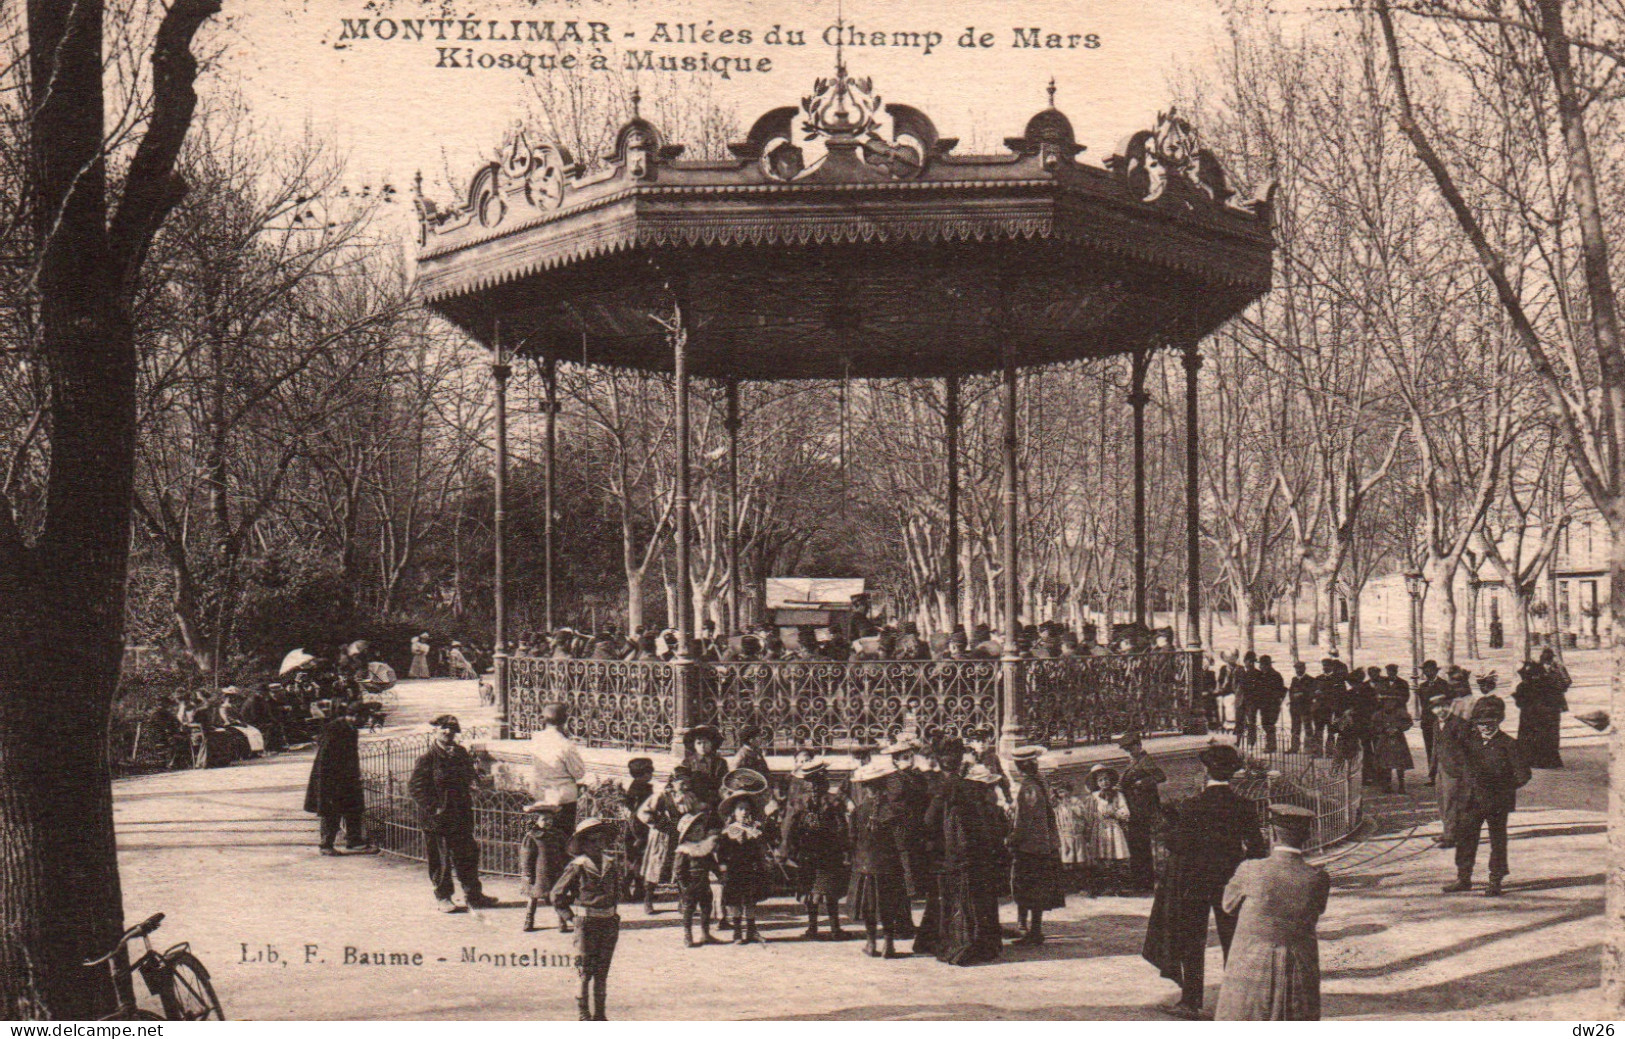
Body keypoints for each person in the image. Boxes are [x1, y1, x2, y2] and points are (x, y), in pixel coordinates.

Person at [1143, 743, 1268, 1020]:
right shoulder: (1244, 806)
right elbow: (1258, 850)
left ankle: (1191, 1001)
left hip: (1194, 881)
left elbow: (1179, 844)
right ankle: (1237, 1001)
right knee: (1233, 939)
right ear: (1232, 773)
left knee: (1191, 938)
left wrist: (1168, 831)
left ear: (1206, 771)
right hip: (1231, 882)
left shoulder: (1192, 806)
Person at [1215, 805, 1330, 1021]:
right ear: (1308, 835)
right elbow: (1318, 909)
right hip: (1298, 967)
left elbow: (1228, 906)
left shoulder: (1250, 869)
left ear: (1274, 834)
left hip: (1250, 965)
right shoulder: (1317, 878)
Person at [1443, 695, 1530, 897]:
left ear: (1499, 721)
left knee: (1497, 841)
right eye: (1480, 724)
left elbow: (1524, 775)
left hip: (1496, 802)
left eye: (1490, 723)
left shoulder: (1509, 744)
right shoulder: (1467, 743)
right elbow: (1453, 762)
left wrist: (1501, 787)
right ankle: (1463, 878)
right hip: (1470, 800)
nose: (1485, 728)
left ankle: (1495, 879)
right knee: (1465, 839)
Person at [409, 715, 497, 912]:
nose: (448, 733)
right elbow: (415, 788)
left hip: (460, 813)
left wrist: (474, 783)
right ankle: (443, 898)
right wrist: (434, 807)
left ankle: (474, 895)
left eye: (452, 729)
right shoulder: (428, 759)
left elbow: (468, 776)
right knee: (440, 859)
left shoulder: (460, 753)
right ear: (436, 732)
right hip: (437, 819)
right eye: (443, 729)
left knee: (467, 854)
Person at [926, 762, 1010, 966]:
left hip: (975, 862)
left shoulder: (973, 807)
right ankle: (974, 943)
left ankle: (983, 943)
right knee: (972, 903)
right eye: (985, 787)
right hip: (969, 863)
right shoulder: (963, 809)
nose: (989, 790)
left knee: (978, 902)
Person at [550, 817, 624, 1021]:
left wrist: (613, 910)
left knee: (602, 971)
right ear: (582, 844)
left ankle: (600, 1014)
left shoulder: (610, 863)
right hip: (586, 923)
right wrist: (570, 917)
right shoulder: (578, 866)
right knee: (585, 970)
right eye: (592, 841)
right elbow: (556, 894)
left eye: (601, 840)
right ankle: (584, 1014)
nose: (597, 845)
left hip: (608, 922)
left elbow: (617, 890)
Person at [520, 702, 587, 929]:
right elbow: (579, 772)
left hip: (542, 798)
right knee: (562, 854)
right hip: (563, 801)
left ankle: (533, 909)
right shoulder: (565, 744)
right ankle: (562, 907)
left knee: (540, 852)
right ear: (565, 721)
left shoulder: (536, 740)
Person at [848, 760, 917, 958]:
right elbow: (902, 840)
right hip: (889, 866)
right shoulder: (896, 811)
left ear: (865, 787)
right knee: (888, 904)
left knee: (870, 906)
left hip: (864, 866)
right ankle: (889, 945)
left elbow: (851, 839)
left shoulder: (858, 811)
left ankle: (870, 944)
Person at [778, 760, 851, 941]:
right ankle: (834, 928)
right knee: (829, 892)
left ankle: (813, 928)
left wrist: (787, 850)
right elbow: (842, 828)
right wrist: (844, 848)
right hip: (828, 852)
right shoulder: (832, 802)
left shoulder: (798, 802)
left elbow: (788, 828)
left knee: (811, 890)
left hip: (807, 852)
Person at [303, 700, 377, 856]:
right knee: (331, 811)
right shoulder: (334, 729)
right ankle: (326, 845)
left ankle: (355, 842)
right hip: (331, 778)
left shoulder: (351, 728)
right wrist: (329, 781)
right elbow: (325, 758)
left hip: (348, 777)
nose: (366, 722)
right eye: (364, 718)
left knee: (354, 808)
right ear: (355, 716)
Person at [1008, 745, 1065, 944]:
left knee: (1029, 888)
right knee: (1037, 888)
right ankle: (1032, 929)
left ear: (1019, 766)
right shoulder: (1039, 782)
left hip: (1030, 846)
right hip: (1043, 844)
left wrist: (1013, 839)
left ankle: (1033, 931)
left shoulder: (1029, 787)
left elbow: (1027, 820)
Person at [636, 767, 699, 914]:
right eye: (681, 783)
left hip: (682, 837)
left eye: (687, 783)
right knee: (655, 868)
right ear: (673, 782)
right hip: (662, 837)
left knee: (681, 869)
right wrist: (659, 823)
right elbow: (643, 813)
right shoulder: (662, 796)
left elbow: (696, 814)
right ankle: (648, 901)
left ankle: (682, 903)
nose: (685, 786)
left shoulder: (690, 797)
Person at [716, 791, 771, 943]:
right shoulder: (728, 831)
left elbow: (761, 849)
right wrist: (723, 870)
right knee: (735, 901)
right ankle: (737, 931)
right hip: (735, 870)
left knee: (751, 900)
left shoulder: (755, 829)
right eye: (740, 809)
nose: (744, 812)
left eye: (747, 809)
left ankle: (752, 931)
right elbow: (722, 853)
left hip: (752, 869)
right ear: (733, 812)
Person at [672, 812, 721, 947]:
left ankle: (705, 933)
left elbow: (712, 864)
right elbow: (679, 870)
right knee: (689, 909)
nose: (700, 833)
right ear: (687, 834)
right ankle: (688, 935)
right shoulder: (684, 850)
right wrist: (684, 886)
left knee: (707, 906)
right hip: (690, 884)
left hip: (704, 882)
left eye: (701, 830)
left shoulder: (705, 847)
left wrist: (720, 875)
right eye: (696, 830)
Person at [1513, 653, 1567, 769]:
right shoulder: (1548, 681)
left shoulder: (1524, 685)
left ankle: (1531, 759)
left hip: (1533, 715)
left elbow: (1519, 702)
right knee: (1547, 737)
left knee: (1532, 736)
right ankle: (1548, 760)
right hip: (1548, 714)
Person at [1430, 693, 1468, 849]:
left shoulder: (1459, 724)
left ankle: (1451, 836)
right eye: (1436, 707)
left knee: (1451, 802)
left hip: (1454, 769)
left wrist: (1462, 769)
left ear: (1449, 706)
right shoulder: (1435, 724)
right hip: (1440, 767)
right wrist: (1433, 768)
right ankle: (1447, 831)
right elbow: (1434, 747)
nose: (1440, 710)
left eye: (1443, 706)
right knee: (1441, 801)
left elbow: (1466, 749)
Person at [1089, 765, 1133, 897]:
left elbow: (1125, 811)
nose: (1104, 782)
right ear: (1097, 783)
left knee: (1117, 855)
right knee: (1103, 856)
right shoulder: (1094, 796)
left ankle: (1120, 886)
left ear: (1111, 780)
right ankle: (1106, 885)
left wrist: (1115, 813)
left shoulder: (1118, 795)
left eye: (1106, 779)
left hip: (1114, 827)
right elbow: (1090, 812)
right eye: (1101, 780)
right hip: (1100, 828)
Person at [622, 758, 656, 903]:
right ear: (642, 774)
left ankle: (635, 889)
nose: (651, 774)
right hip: (639, 828)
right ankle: (629, 887)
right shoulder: (640, 789)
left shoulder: (636, 786)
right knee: (639, 859)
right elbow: (638, 810)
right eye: (649, 772)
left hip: (636, 827)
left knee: (638, 859)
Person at [1370, 690, 1415, 794]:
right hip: (1384, 740)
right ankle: (1387, 785)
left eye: (1392, 702)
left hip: (1398, 740)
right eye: (1387, 702)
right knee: (1385, 764)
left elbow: (1408, 723)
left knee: (1400, 764)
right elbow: (1373, 727)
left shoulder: (1400, 713)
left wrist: (1398, 729)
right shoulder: (1378, 714)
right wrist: (1384, 730)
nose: (1389, 705)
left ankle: (1402, 785)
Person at [1415, 660, 1450, 778]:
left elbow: (1447, 704)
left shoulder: (1444, 685)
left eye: (1429, 670)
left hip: (1440, 721)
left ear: (1435, 671)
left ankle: (1442, 774)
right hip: (1427, 722)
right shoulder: (1422, 686)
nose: (1426, 672)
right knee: (1429, 747)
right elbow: (1423, 705)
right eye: (1425, 670)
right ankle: (1432, 775)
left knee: (1441, 748)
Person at [681, 725, 730, 809]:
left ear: (712, 743)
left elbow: (725, 781)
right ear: (694, 745)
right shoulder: (688, 762)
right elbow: (683, 777)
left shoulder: (720, 762)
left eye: (705, 742)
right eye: (699, 743)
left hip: (716, 801)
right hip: (696, 801)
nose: (702, 746)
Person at [1287, 661, 1316, 754]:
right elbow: (1291, 693)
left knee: (1307, 728)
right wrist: (1293, 697)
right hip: (1295, 708)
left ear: (1304, 668)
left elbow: (1312, 694)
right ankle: (1294, 747)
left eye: (1300, 668)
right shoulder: (1294, 679)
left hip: (1305, 708)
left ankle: (1308, 748)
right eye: (1296, 668)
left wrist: (1302, 695)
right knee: (1295, 728)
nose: (1298, 670)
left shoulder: (1310, 680)